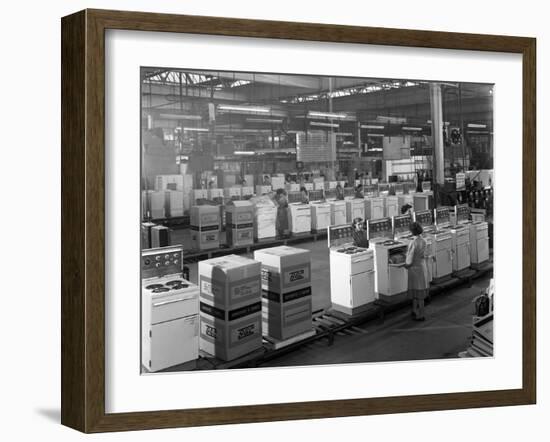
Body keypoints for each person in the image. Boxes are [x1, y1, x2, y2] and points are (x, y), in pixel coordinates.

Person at [404, 222, 430, 321]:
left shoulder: (413, 243)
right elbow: (425, 254)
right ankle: (414, 310)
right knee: (418, 291)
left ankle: (421, 314)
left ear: (411, 232)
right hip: (422, 267)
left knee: (417, 294)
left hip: (414, 270)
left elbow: (409, 259)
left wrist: (405, 265)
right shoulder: (423, 240)